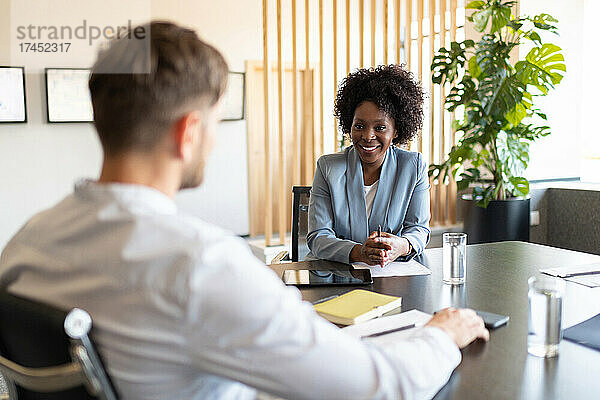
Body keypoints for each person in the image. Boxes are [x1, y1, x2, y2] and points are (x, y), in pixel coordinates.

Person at [0, 21, 489, 400]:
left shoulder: (25, 244)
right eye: (214, 123)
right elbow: (381, 387)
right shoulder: (202, 264)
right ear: (188, 132)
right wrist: (440, 335)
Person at [307, 65, 430, 267]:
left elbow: (419, 229)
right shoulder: (328, 167)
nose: (367, 136)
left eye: (380, 127)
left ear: (396, 130)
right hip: (339, 276)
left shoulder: (412, 167)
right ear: (350, 124)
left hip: (393, 277)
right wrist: (358, 253)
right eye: (359, 126)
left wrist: (402, 245)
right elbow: (318, 236)